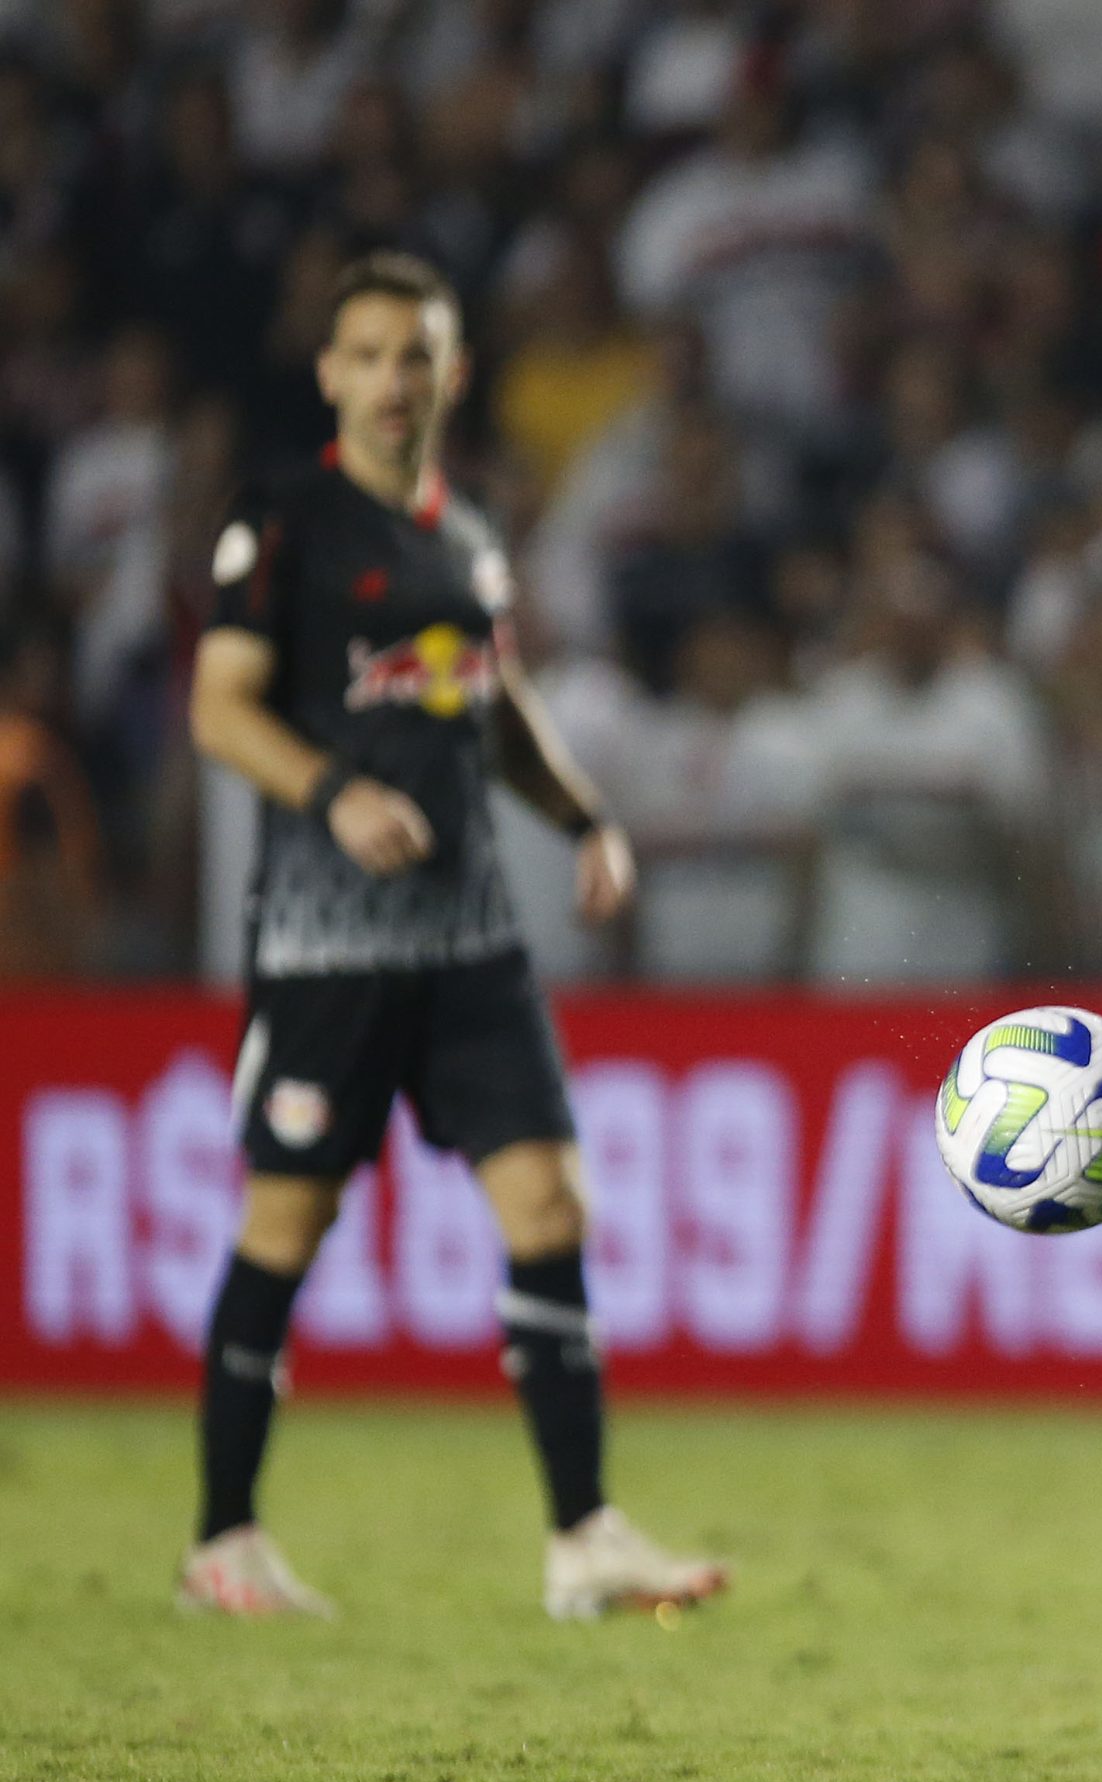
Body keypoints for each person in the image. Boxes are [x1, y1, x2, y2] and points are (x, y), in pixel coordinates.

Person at [180, 251, 728, 1622]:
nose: (389, 380)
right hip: (327, 948)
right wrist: (333, 788)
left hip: (470, 942)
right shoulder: (283, 521)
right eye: (364, 354)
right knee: (287, 1222)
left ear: (452, 372)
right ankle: (223, 1543)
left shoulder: (468, 536)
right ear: (329, 375)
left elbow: (493, 706)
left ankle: (584, 1538)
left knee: (550, 1206)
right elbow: (220, 708)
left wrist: (586, 815)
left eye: (413, 355)